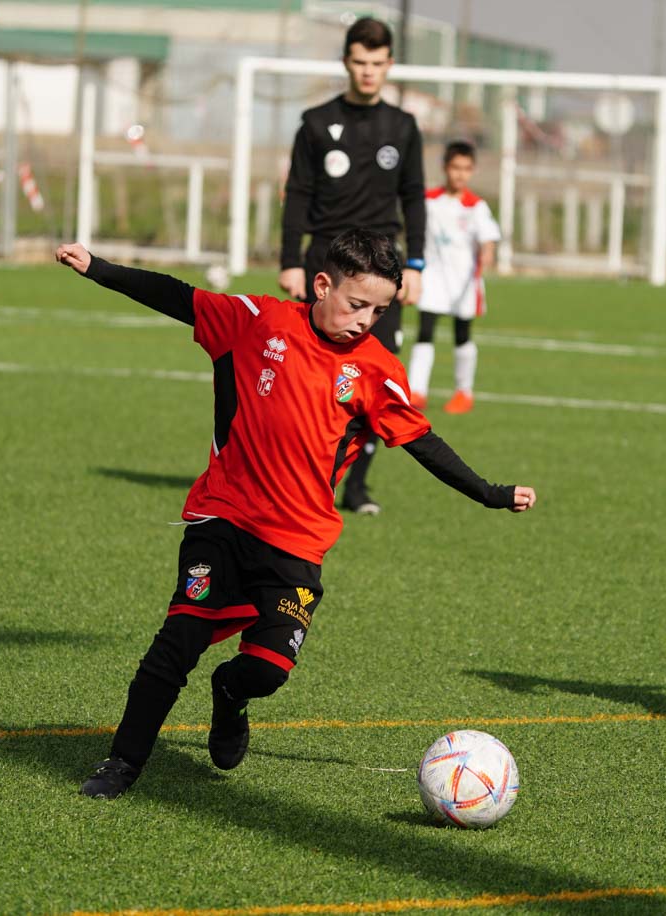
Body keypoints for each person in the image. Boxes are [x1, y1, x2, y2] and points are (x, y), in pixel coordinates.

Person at [55, 229, 537, 799]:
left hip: (297, 544)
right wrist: (101, 268)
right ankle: (121, 765)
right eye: (357, 304)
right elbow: (177, 297)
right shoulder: (256, 320)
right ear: (322, 284)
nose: (366, 319)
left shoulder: (377, 370)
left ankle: (230, 694)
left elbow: (422, 443)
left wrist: (490, 492)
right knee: (178, 639)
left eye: (380, 310)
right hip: (223, 519)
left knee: (267, 671)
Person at [279, 16, 426, 515]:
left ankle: (357, 486)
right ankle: (305, 477)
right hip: (327, 262)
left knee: (378, 385)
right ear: (347, 62)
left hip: (383, 272)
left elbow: (414, 199)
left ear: (389, 65)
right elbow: (296, 193)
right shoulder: (316, 123)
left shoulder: (403, 127)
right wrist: (289, 260)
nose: (368, 72)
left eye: (377, 63)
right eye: (360, 62)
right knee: (310, 382)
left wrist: (418, 265)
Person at [407, 140, 501, 414]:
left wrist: (488, 252)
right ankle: (417, 391)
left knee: (462, 335)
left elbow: (488, 239)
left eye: (466, 169)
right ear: (445, 167)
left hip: (464, 283)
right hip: (433, 278)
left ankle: (463, 391)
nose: (460, 174)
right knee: (425, 332)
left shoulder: (476, 206)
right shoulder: (429, 200)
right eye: (455, 167)